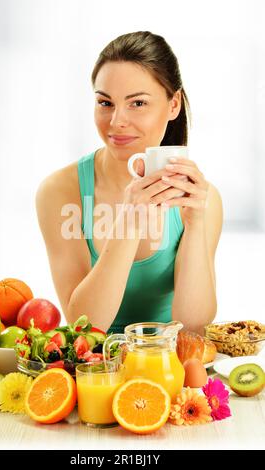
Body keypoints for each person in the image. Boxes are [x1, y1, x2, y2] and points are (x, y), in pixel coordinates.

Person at [36, 31, 223, 336]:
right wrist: (129, 223)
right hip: (96, 372)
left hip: (166, 369)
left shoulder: (203, 199)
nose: (117, 121)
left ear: (173, 104)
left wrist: (196, 223)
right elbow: (84, 326)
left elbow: (192, 326)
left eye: (137, 102)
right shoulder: (59, 191)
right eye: (105, 102)